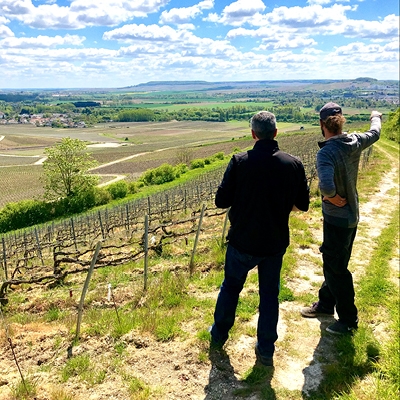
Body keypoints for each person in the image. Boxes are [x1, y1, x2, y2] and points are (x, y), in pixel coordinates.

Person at [209, 111, 310, 366]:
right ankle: (265, 349)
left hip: (242, 240)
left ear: (253, 134)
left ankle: (219, 335)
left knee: (231, 288)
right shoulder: (293, 164)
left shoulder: (239, 161)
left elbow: (221, 201)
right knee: (269, 296)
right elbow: (303, 206)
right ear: (275, 133)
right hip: (274, 243)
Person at [301, 103, 382, 335]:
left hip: (336, 217)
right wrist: (375, 115)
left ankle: (348, 320)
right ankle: (326, 304)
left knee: (336, 269)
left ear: (322, 125)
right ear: (341, 121)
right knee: (336, 262)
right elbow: (375, 132)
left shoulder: (326, 152)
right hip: (351, 216)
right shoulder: (354, 142)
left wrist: (333, 197)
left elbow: (326, 186)